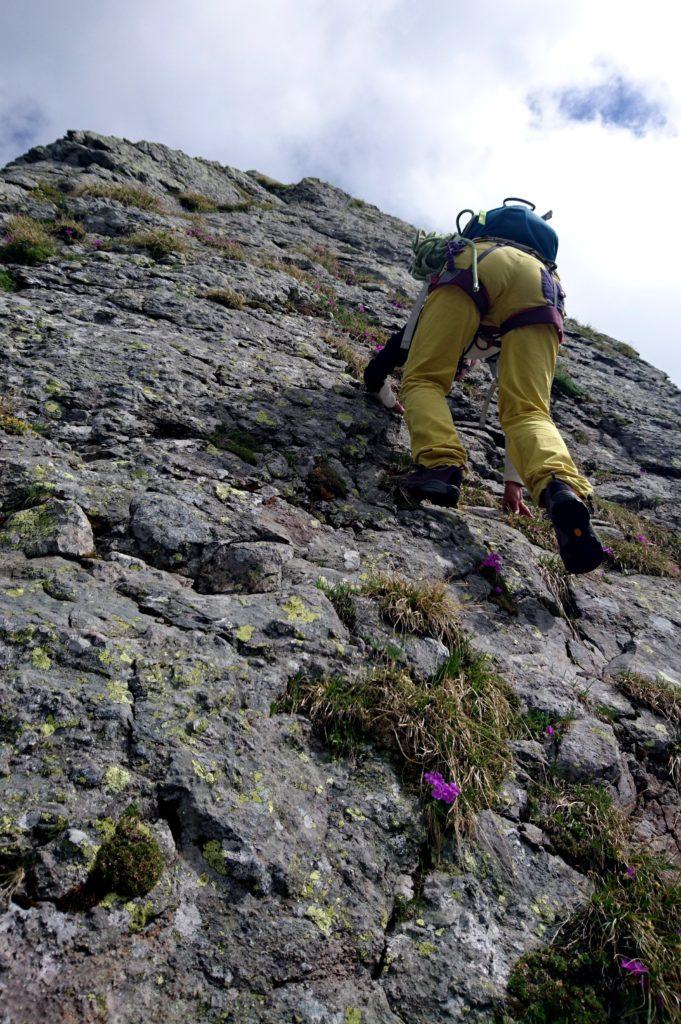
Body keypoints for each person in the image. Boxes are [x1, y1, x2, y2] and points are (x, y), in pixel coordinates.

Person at [364, 200, 605, 575]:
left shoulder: (475, 255)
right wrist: (514, 484)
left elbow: (400, 347)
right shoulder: (501, 328)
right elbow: (517, 414)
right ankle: (560, 488)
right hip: (542, 284)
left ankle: (440, 466)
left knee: (425, 379)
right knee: (530, 410)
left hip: (478, 262)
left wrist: (377, 386)